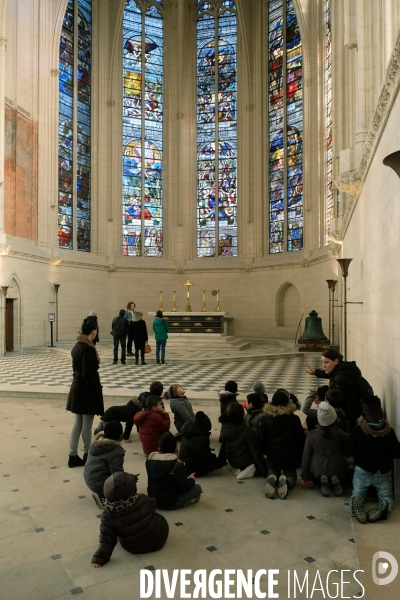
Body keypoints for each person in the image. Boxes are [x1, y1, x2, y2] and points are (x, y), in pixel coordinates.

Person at [91, 471, 169, 567]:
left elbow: (107, 538)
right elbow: (153, 502)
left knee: (111, 530)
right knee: (156, 514)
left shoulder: (108, 514)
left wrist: (100, 558)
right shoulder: (143, 498)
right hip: (160, 537)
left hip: (134, 547)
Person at [345, 395, 400, 523]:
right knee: (386, 496)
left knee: (358, 493)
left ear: (363, 413)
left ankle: (357, 503)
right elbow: (398, 453)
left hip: (362, 471)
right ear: (380, 412)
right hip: (383, 472)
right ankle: (384, 505)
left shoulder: (357, 430)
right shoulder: (389, 432)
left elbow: (347, 452)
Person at [66, 319, 104, 468]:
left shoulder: (77, 346)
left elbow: (77, 370)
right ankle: (89, 455)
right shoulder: (88, 348)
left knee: (78, 423)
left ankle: (72, 455)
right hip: (86, 391)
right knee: (86, 424)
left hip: (77, 388)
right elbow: (87, 374)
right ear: (93, 332)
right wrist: (95, 389)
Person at [259, 389, 305, 499]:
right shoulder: (294, 419)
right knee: (292, 476)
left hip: (273, 453)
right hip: (290, 454)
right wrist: (299, 456)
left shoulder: (265, 419)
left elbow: (261, 438)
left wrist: (265, 452)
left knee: (273, 472)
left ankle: (272, 478)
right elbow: (300, 439)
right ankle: (287, 483)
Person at [305, 349, 367, 428]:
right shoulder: (343, 368)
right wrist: (315, 372)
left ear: (336, 361)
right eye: (322, 362)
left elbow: (335, 402)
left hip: (349, 417)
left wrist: (320, 397)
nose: (323, 366)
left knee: (311, 419)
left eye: (326, 362)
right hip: (346, 410)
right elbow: (332, 374)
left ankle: (318, 438)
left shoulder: (342, 379)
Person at [301, 401, 349, 497]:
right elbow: (349, 441)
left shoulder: (312, 436)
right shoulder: (339, 433)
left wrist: (305, 476)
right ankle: (337, 481)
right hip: (338, 467)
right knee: (342, 475)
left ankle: (322, 482)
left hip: (318, 470)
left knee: (317, 476)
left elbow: (306, 457)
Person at [146, 431, 202, 509]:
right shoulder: (176, 464)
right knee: (197, 488)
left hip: (153, 500)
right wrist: (191, 480)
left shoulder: (149, 461)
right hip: (170, 503)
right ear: (176, 449)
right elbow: (184, 487)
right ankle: (181, 502)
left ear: (159, 449)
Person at [219, 402, 267, 480]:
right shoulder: (247, 430)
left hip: (232, 461)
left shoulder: (224, 429)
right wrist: (264, 471)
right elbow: (255, 452)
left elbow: (223, 447)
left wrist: (220, 461)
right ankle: (248, 470)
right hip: (245, 462)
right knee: (265, 460)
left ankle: (237, 469)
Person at [84, 421, 125, 508]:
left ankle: (102, 493)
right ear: (120, 435)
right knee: (125, 486)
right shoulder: (115, 451)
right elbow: (117, 474)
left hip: (90, 478)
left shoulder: (96, 444)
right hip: (99, 483)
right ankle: (103, 497)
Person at [179, 411, 227, 476]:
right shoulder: (201, 438)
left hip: (184, 463)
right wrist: (214, 458)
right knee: (218, 463)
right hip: (191, 469)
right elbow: (205, 458)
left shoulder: (188, 431)